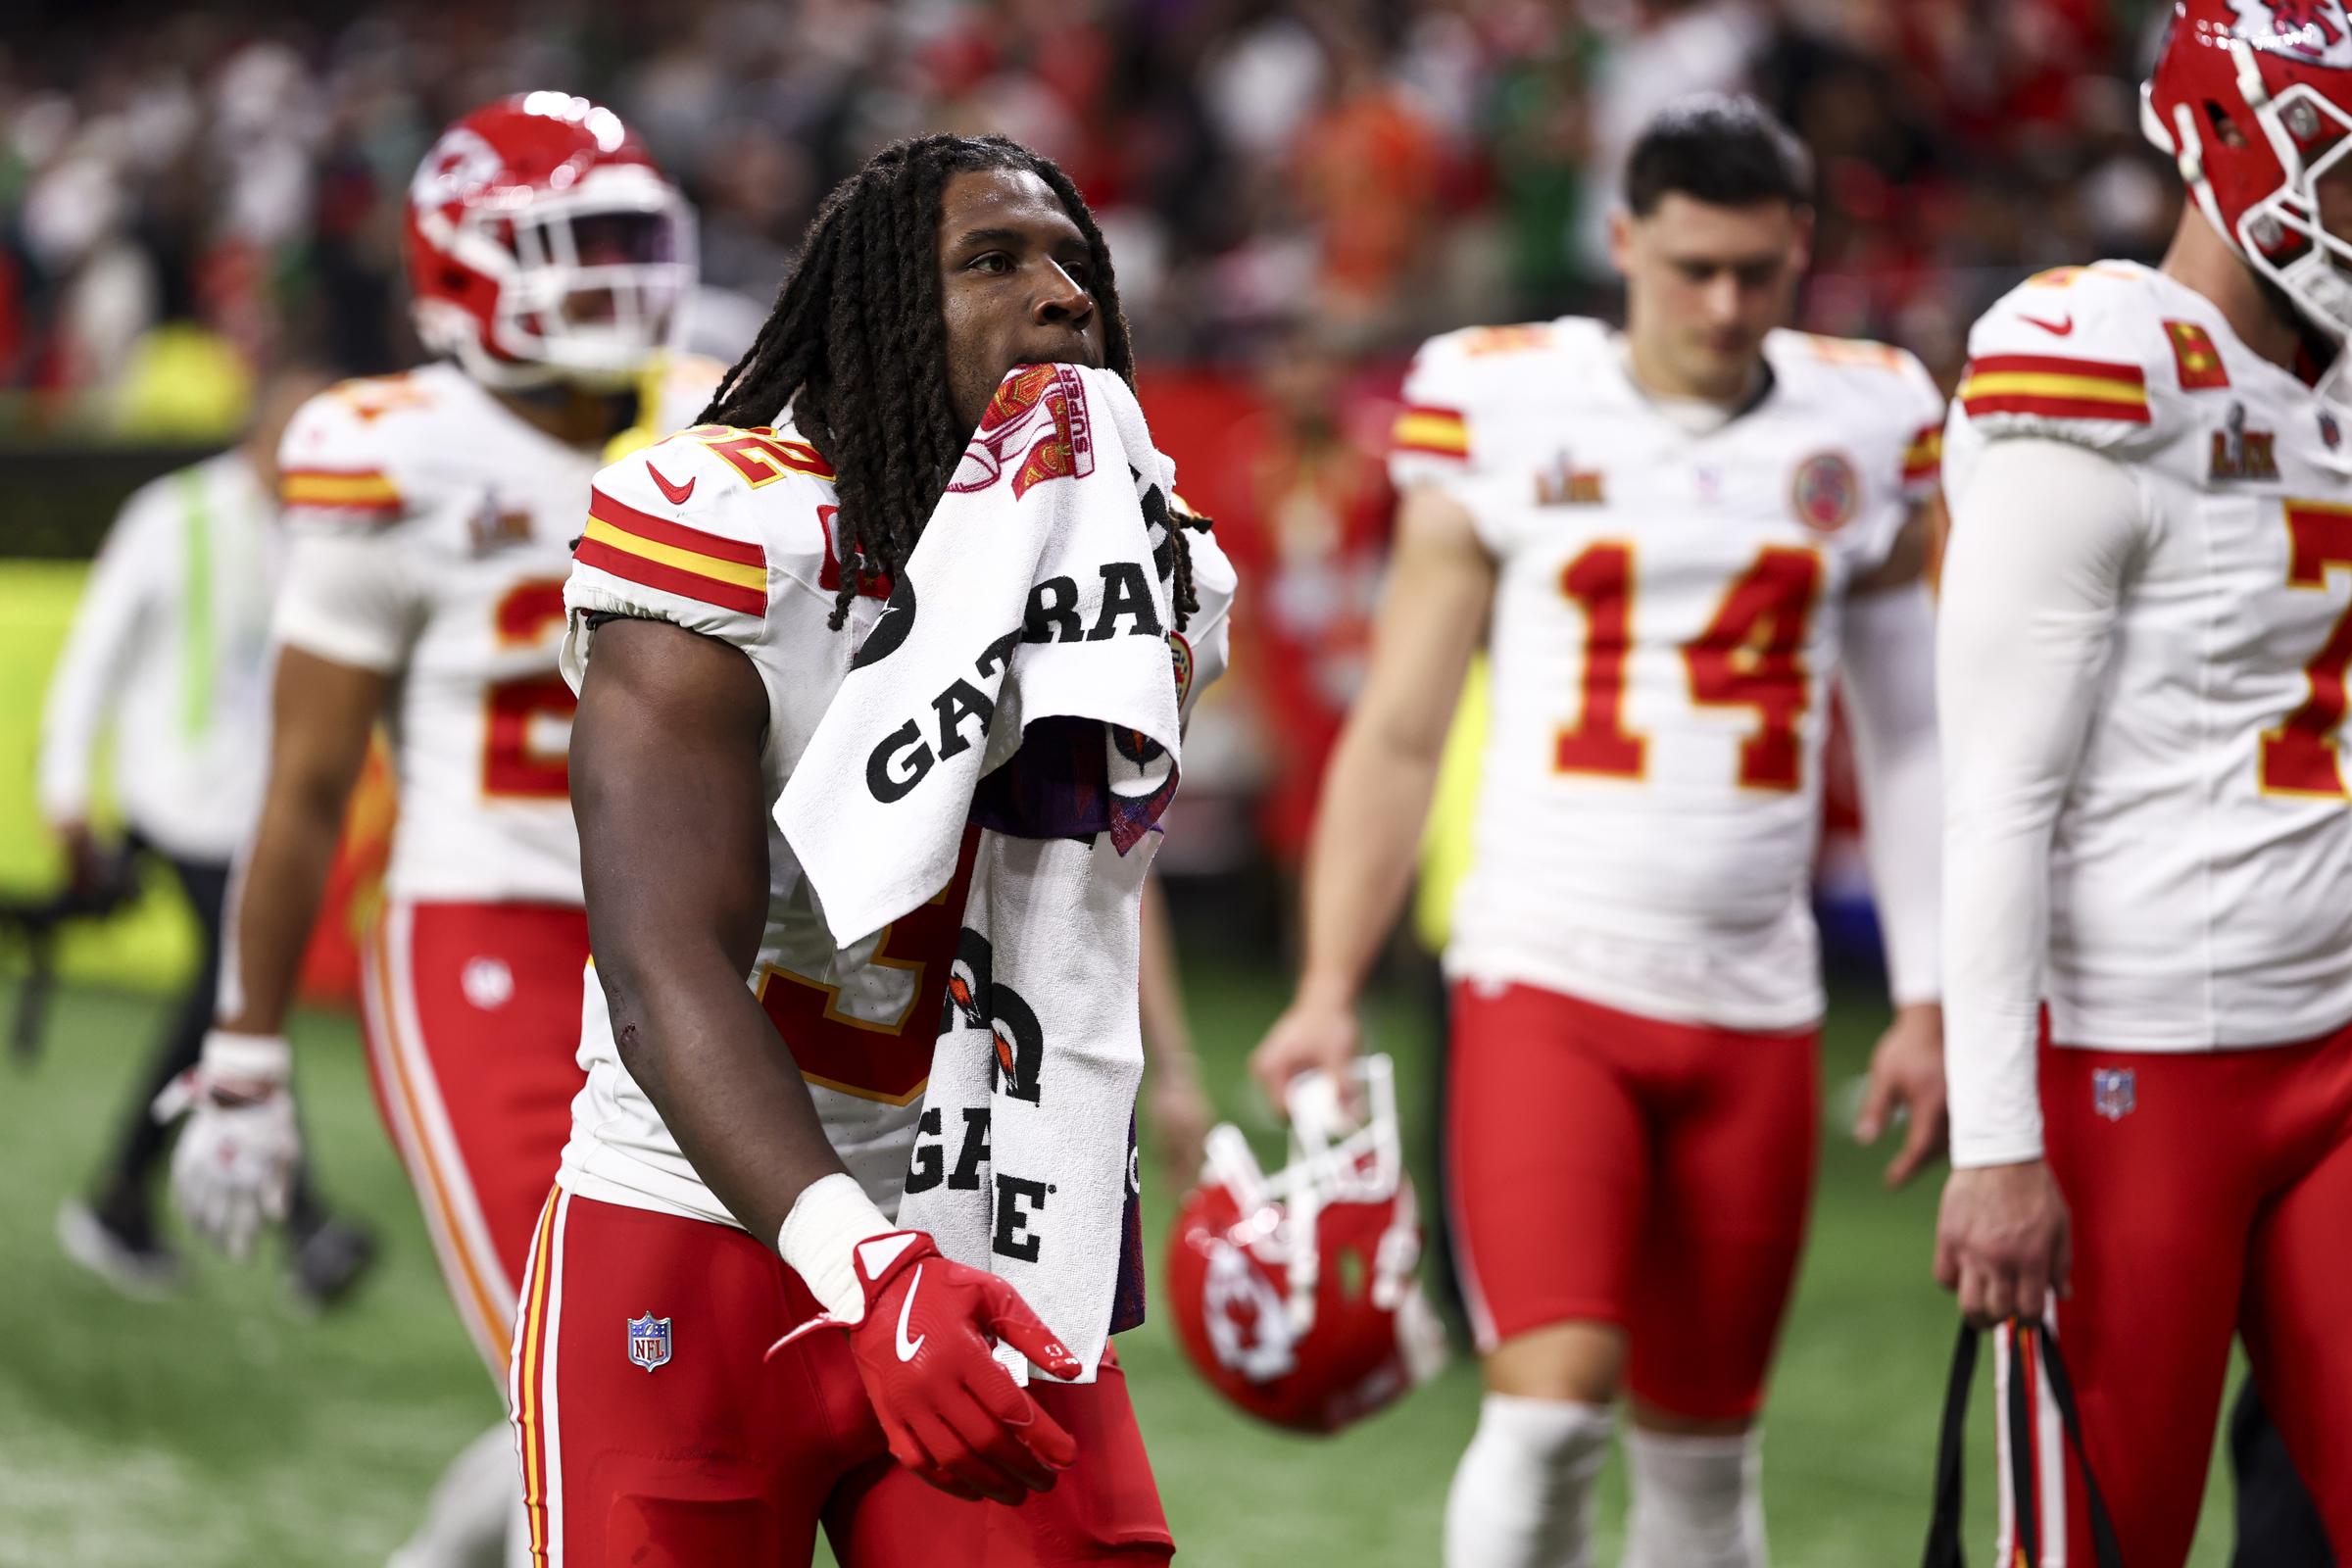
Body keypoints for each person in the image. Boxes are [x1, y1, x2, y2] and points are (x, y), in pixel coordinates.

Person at [517, 131, 1234, 1567]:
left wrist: (1111, 1173)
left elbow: (1066, 899)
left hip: (981, 1242)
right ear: (875, 317)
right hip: (704, 1229)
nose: (1060, 295)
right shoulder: (732, 528)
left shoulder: (1156, 573)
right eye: (991, 261)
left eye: (1073, 263)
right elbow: (660, 965)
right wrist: (862, 1261)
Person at [1250, 94, 1946, 1568]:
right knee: (1552, 1409)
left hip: (1757, 994)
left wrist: (1938, 994)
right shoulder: (1506, 403)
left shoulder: (1867, 413)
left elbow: (1915, 733)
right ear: (1622, 241)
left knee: (1707, 1462)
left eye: (1758, 272)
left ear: (1800, 251)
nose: (1723, 304)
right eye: (1691, 267)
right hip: (1549, 973)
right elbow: (1402, 729)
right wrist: (1324, 985)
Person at [153, 94, 706, 1568]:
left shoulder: (726, 414)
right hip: (492, 936)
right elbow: (310, 783)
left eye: (628, 243)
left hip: (702, 946)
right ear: (461, 273)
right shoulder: (391, 450)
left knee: (686, 1368)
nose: (615, 284)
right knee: (601, 1379)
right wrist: (246, 1051)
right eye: (573, 249)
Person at [1935, 4, 2352, 1561]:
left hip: (2337, 1044)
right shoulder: (2104, 364)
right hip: (2139, 1065)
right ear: (2233, 143)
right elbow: (1995, 792)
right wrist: (1997, 1142)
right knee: (2104, 1543)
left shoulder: (2336, 379)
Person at [38, 362, 374, 1305]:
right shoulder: (172, 514)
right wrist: (67, 795)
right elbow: (93, 656)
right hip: (177, 800)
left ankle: (123, 1201)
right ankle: (303, 1223)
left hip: (250, 810)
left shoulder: (308, 532)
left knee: (224, 990)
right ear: (268, 433)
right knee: (235, 983)